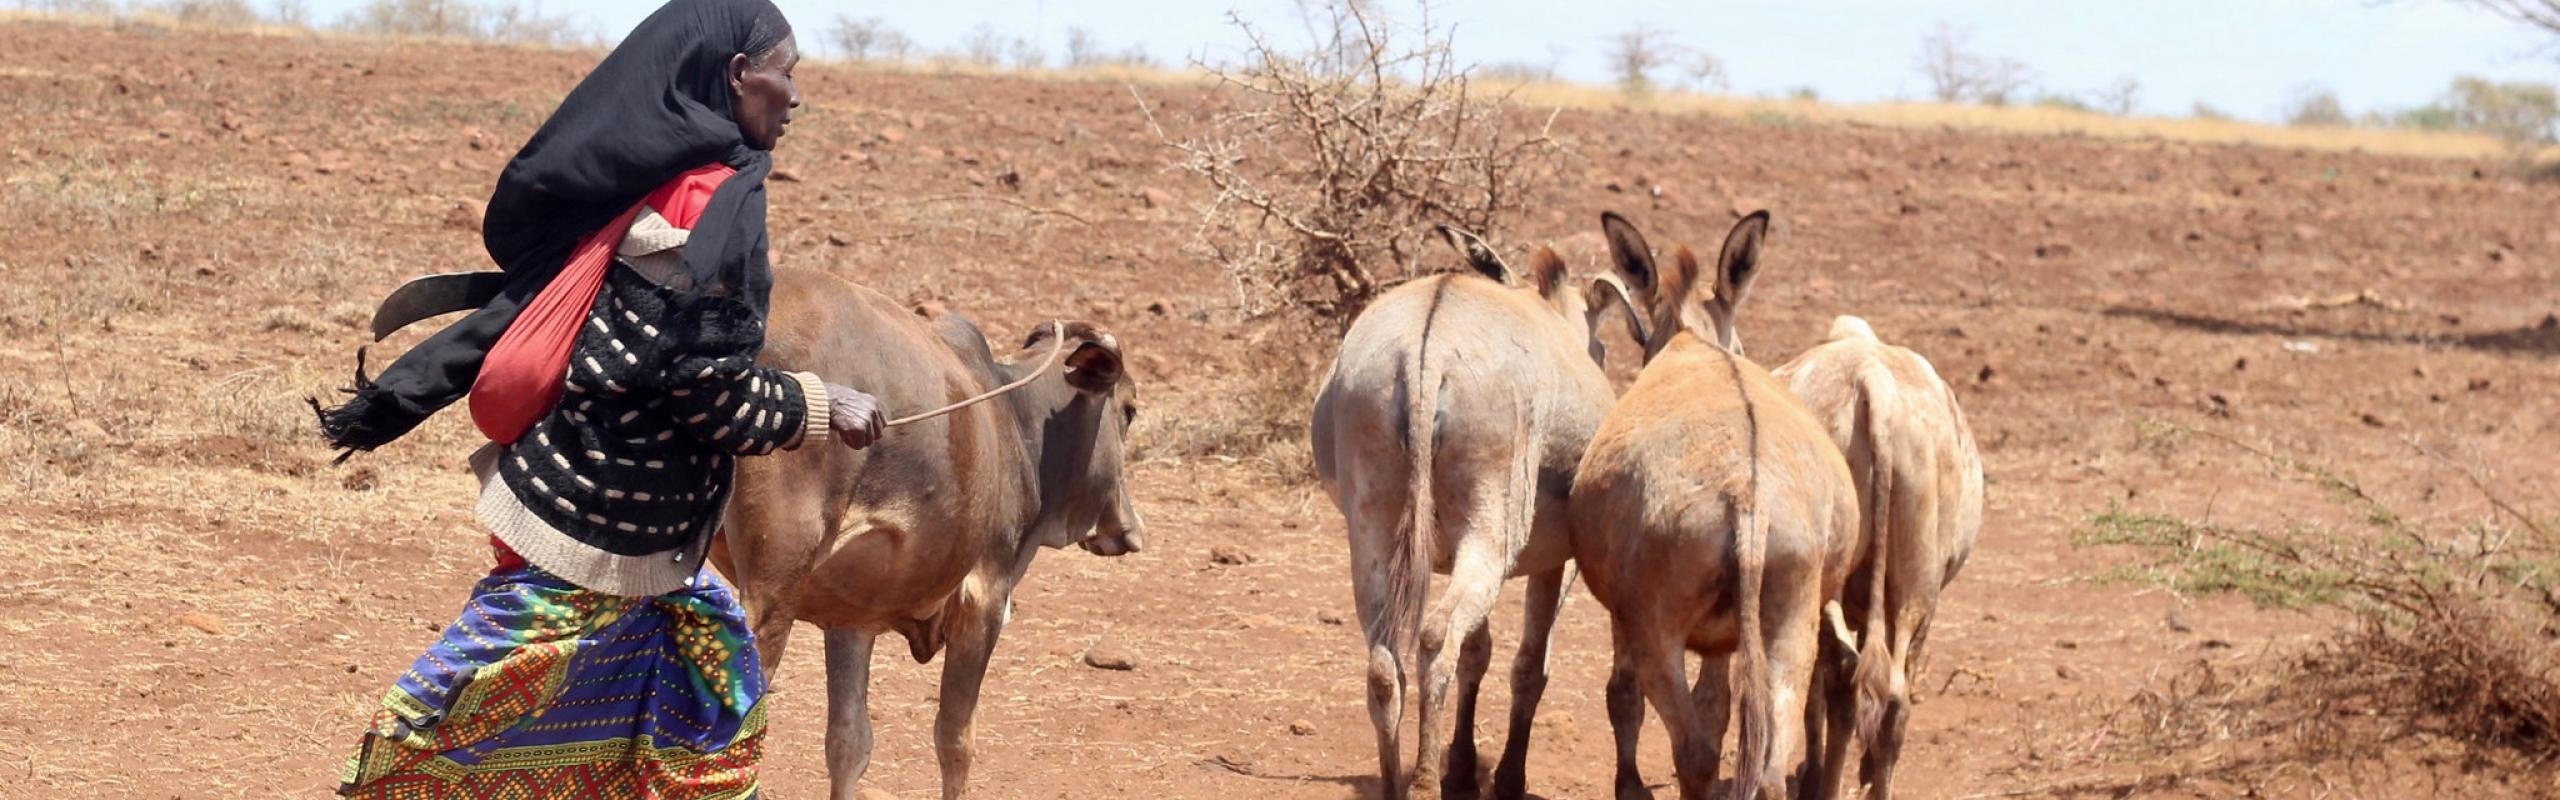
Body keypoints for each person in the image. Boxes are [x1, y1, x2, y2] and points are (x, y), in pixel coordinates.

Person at [310, 1, 878, 796]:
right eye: (787, 74)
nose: (794, 96)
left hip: (588, 506)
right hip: (593, 528)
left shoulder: (652, 178)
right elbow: (703, 392)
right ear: (739, 76)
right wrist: (819, 406)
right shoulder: (718, 202)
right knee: (457, 711)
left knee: (697, 681)